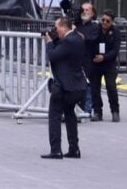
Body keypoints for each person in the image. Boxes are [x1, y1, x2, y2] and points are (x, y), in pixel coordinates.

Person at [41, 16, 87, 160]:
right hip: (77, 85)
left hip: (64, 86)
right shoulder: (78, 38)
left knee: (54, 116)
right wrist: (55, 40)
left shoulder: (68, 41)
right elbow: (64, 53)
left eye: (56, 28)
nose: (55, 30)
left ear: (63, 27)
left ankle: (56, 150)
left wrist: (49, 42)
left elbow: (53, 56)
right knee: (69, 114)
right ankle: (74, 149)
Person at [89, 9, 120, 122]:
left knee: (111, 87)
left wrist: (104, 57)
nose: (104, 23)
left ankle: (115, 111)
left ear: (112, 22)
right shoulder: (95, 30)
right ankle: (97, 112)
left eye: (107, 21)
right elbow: (90, 44)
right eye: (103, 20)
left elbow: (115, 50)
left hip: (109, 63)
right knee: (94, 88)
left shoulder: (115, 32)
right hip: (95, 62)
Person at [75, 1, 99, 115]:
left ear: (93, 13)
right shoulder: (76, 25)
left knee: (88, 84)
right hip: (76, 58)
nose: (84, 12)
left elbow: (93, 40)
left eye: (87, 10)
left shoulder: (95, 27)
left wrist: (81, 37)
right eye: (82, 10)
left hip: (88, 59)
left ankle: (87, 109)